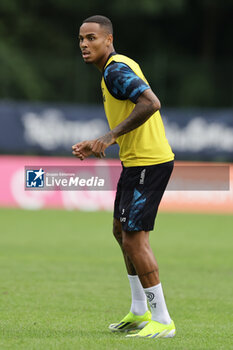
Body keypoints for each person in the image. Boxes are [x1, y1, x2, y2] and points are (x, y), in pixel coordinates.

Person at [72, 15, 176, 339]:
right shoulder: (111, 71)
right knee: (121, 231)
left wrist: (109, 136)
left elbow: (151, 103)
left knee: (134, 239)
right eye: (81, 39)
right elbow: (136, 111)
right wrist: (103, 140)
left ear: (109, 39)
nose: (85, 45)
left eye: (91, 38)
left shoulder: (115, 69)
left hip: (149, 163)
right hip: (135, 163)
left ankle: (162, 320)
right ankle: (139, 311)